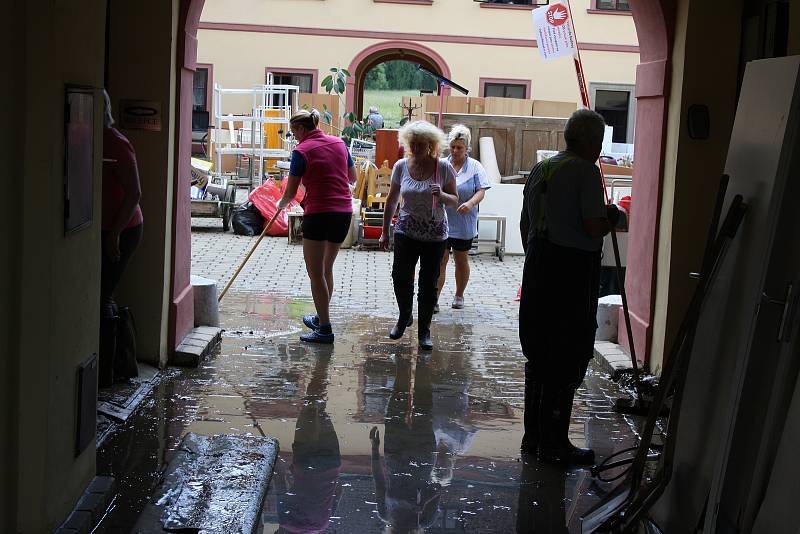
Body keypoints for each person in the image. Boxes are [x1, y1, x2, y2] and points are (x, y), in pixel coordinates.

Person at [518, 108, 620, 465]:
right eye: (600, 142)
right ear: (592, 141)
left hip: (538, 264)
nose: (599, 148)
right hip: (572, 271)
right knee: (567, 355)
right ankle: (555, 444)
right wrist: (612, 217)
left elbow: (525, 224)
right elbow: (593, 227)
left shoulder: (542, 168)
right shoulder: (586, 171)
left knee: (539, 352)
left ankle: (533, 438)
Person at [278, 109, 357, 343]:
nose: (294, 137)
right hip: (343, 213)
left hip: (319, 214)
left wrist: (279, 206)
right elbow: (352, 177)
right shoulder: (339, 143)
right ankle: (322, 317)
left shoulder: (301, 151)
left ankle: (324, 328)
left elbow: (290, 192)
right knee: (326, 269)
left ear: (302, 129)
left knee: (315, 274)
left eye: (294, 132)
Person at [379, 121, 459, 351]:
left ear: (430, 145)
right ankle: (405, 315)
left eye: (420, 143)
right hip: (406, 230)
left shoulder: (442, 168)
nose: (414, 147)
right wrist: (385, 231)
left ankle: (424, 330)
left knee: (428, 283)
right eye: (411, 142)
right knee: (400, 276)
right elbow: (392, 199)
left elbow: (455, 199)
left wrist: (442, 194)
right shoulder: (401, 166)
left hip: (435, 235)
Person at [100, 89, 143, 386]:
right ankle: (115, 364)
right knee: (103, 292)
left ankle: (111, 368)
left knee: (102, 292)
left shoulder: (116, 143)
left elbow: (134, 193)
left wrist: (114, 232)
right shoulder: (85, 137)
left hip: (124, 230)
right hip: (102, 228)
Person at [370, 356, 442, 532]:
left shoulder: (385, 514)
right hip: (422, 456)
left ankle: (402, 365)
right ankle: (422, 364)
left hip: (395, 454)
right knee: (423, 409)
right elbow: (437, 488)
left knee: (395, 408)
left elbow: (379, 481)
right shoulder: (424, 521)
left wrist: (374, 448)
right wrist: (423, 502)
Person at [275, 351, 341, 534]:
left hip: (331, 464)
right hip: (305, 462)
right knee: (310, 409)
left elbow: (337, 495)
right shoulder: (286, 522)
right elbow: (280, 484)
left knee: (320, 410)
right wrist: (276, 462)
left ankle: (322, 371)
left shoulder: (322, 526)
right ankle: (321, 364)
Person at [436, 125, 492, 311]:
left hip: (464, 222)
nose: (455, 151)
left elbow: (481, 190)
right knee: (440, 260)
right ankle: (434, 297)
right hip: (441, 221)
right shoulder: (442, 164)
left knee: (461, 260)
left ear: (466, 148)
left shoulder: (475, 166)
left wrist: (470, 204)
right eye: (452, 147)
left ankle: (459, 294)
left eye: (459, 148)